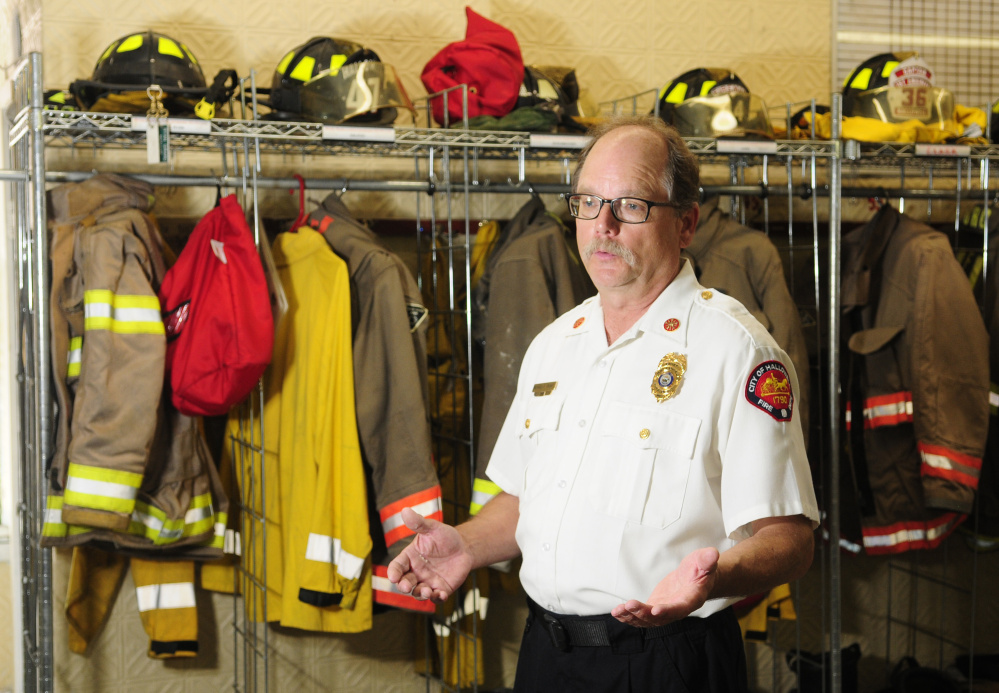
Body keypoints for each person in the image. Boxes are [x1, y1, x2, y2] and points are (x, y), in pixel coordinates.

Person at [388, 115, 819, 692]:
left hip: (667, 662)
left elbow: (790, 541)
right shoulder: (554, 345)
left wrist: (712, 579)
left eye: (631, 205)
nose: (603, 226)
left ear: (686, 222)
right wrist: (465, 542)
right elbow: (522, 501)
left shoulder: (737, 351)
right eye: (588, 202)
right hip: (546, 655)